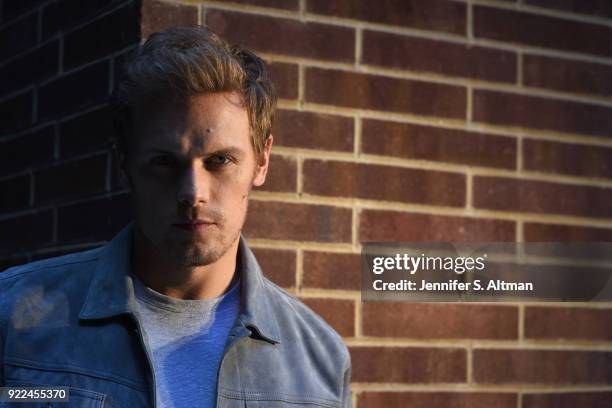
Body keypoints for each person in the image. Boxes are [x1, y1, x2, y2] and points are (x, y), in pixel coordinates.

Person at [0, 26, 351, 408]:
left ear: (261, 161)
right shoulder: (14, 316)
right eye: (164, 162)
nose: (193, 193)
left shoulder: (322, 361)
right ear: (124, 164)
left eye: (220, 161)